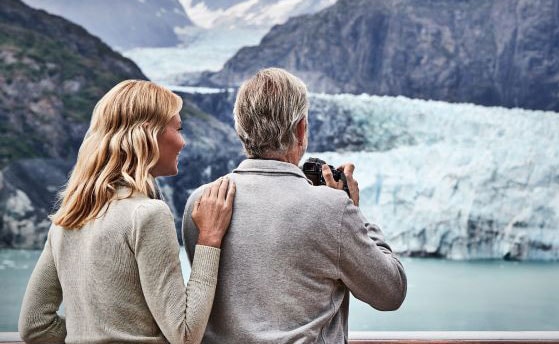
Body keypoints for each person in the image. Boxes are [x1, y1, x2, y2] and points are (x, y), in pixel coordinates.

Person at [182, 68, 407, 343]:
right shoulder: (331, 209)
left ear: (240, 129)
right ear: (300, 129)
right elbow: (390, 291)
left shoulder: (202, 202)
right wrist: (353, 212)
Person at [18, 80, 235, 344]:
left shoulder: (66, 220)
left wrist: (92, 332)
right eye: (178, 129)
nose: (183, 142)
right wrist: (209, 239)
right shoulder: (147, 214)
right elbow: (185, 334)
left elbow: (34, 325)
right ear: (148, 133)